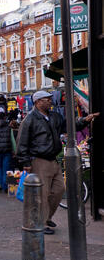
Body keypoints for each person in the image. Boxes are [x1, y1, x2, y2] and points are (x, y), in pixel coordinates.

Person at [16, 90, 99, 235]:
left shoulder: (54, 116)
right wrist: (25, 162)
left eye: (49, 98)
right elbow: (22, 142)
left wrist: (84, 120)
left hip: (52, 159)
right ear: (37, 102)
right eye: (46, 99)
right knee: (42, 193)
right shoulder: (29, 119)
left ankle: (46, 218)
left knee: (59, 189)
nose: (50, 101)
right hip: (39, 160)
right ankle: (41, 224)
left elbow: (69, 126)